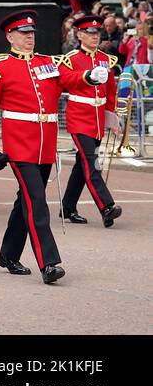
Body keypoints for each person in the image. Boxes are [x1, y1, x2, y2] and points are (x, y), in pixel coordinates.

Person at [0, 8, 101, 284]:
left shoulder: (46, 63)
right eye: (24, 33)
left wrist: (88, 77)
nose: (30, 38)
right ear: (10, 36)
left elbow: (67, 80)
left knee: (25, 201)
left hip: (44, 145)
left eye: (32, 33)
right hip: (20, 145)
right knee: (37, 202)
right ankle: (49, 263)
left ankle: (8, 254)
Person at [56, 15, 124, 227]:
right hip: (79, 116)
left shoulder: (106, 59)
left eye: (97, 33)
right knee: (91, 162)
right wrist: (88, 75)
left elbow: (110, 91)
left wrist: (112, 117)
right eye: (90, 33)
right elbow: (64, 80)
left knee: (81, 165)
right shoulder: (71, 58)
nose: (95, 37)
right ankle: (106, 206)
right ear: (79, 35)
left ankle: (67, 207)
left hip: (96, 119)